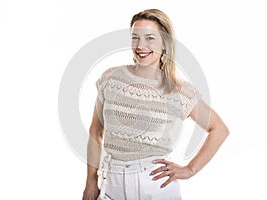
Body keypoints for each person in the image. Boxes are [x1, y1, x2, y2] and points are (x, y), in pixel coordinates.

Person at [82, 9, 229, 200]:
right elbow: (96, 131)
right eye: (135, 37)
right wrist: (90, 182)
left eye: (150, 38)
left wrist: (191, 169)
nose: (141, 45)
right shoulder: (111, 78)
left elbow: (219, 129)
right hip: (112, 183)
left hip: (155, 184)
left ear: (165, 44)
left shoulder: (179, 91)